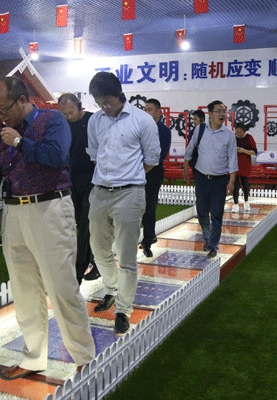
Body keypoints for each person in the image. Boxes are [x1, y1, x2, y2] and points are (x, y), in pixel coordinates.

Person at [0, 77, 95, 380]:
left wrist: (19, 142)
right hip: (14, 212)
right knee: (23, 290)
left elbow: (56, 156)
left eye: (3, 109)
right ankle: (33, 358)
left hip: (50, 208)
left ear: (23, 100)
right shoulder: (3, 133)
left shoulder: (52, 120)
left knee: (61, 288)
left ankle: (85, 359)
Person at [86, 72, 160, 336]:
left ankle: (123, 310)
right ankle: (111, 288)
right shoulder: (95, 120)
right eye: (99, 103)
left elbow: (151, 159)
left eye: (107, 102)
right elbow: (95, 155)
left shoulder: (142, 120)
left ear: (119, 94)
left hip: (130, 193)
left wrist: (128, 177)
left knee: (126, 256)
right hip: (99, 191)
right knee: (98, 248)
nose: (104, 107)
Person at [183, 101, 238, 259]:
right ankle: (207, 238)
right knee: (202, 212)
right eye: (218, 111)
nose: (222, 114)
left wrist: (232, 181)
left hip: (219, 181)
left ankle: (213, 245)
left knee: (216, 214)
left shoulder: (229, 135)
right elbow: (190, 149)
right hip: (201, 178)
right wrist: (185, 167)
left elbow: (233, 160)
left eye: (224, 111)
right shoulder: (200, 130)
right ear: (210, 114)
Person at [58, 93, 100, 283]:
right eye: (64, 113)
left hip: (93, 179)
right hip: (71, 180)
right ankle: (95, 262)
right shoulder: (62, 125)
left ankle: (79, 271)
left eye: (71, 112)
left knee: (86, 225)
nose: (69, 116)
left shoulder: (93, 120)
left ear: (80, 106)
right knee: (77, 224)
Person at [140, 98, 172, 257]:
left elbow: (161, 155)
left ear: (159, 112)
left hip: (153, 172)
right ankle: (149, 235)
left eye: (150, 109)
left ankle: (147, 241)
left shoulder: (164, 131)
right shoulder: (139, 128)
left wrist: (145, 167)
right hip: (136, 171)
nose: (146, 112)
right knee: (135, 207)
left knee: (149, 207)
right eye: (145, 109)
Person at [231, 123, 257, 213]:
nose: (238, 134)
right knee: (235, 184)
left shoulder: (249, 138)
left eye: (240, 132)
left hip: (245, 164)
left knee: (245, 184)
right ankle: (235, 204)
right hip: (234, 164)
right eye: (237, 132)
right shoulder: (232, 137)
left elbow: (254, 152)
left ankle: (246, 202)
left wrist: (244, 151)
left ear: (244, 131)